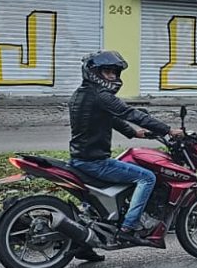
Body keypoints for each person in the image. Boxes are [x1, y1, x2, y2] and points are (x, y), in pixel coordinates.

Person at [67, 51, 171, 249]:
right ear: (94, 72)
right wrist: (168, 130)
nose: (113, 77)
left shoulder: (81, 95)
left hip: (80, 158)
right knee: (147, 177)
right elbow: (130, 113)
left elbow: (110, 118)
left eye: (115, 72)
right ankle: (128, 228)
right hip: (95, 162)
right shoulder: (101, 96)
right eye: (108, 72)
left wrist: (133, 133)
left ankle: (83, 246)